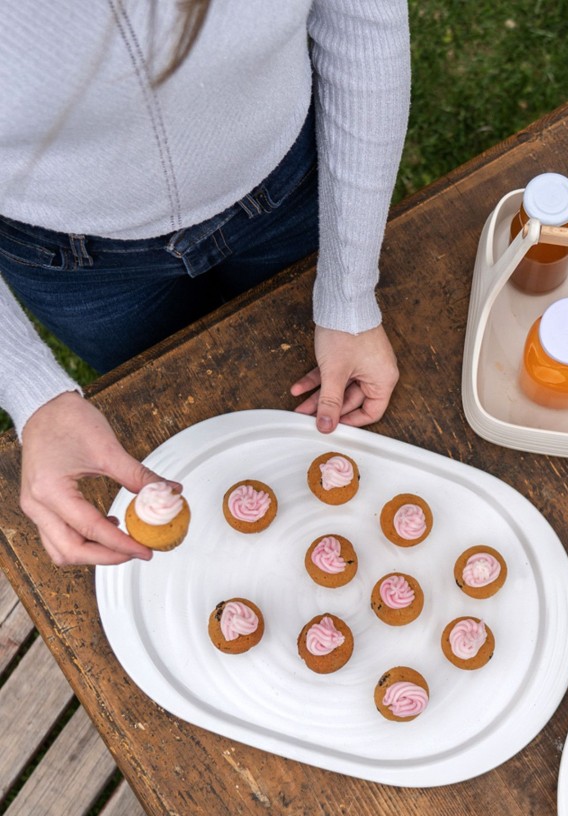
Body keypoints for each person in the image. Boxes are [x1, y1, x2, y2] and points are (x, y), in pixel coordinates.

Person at [0, 0, 410, 567]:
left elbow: (364, 24)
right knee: (183, 423)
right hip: (76, 264)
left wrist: (347, 292)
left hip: (286, 195)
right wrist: (32, 393)